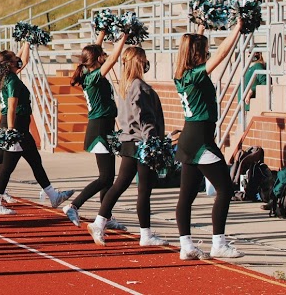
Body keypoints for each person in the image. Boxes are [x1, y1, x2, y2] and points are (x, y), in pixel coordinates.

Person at [173, 22, 245, 260]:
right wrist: (237, 29)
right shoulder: (195, 74)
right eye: (204, 51)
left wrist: (201, 27)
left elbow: (191, 47)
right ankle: (218, 243)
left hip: (189, 137)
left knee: (187, 194)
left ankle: (186, 245)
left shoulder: (181, 75)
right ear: (197, 55)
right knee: (225, 189)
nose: (208, 54)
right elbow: (222, 54)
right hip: (201, 139)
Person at [85, 47, 168, 247]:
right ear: (139, 62)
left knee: (120, 185)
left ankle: (99, 222)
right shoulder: (138, 86)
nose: (147, 63)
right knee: (144, 190)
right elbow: (144, 117)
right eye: (144, 59)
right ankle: (145, 234)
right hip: (141, 143)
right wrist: (153, 141)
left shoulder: (125, 85)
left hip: (129, 141)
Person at [0, 48, 73, 216]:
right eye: (15, 58)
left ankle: (53, 195)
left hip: (17, 124)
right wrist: (11, 130)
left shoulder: (5, 77)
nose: (18, 59)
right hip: (16, 125)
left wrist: (27, 42)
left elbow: (24, 59)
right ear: (9, 64)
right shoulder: (12, 79)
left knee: (35, 160)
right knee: (7, 166)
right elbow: (12, 107)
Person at [63, 31, 127, 230]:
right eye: (102, 55)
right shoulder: (93, 77)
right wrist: (124, 36)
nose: (105, 56)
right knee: (105, 177)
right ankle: (74, 205)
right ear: (98, 59)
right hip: (99, 128)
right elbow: (114, 58)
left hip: (103, 127)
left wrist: (102, 33)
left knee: (107, 176)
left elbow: (93, 52)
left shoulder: (87, 72)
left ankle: (105, 216)